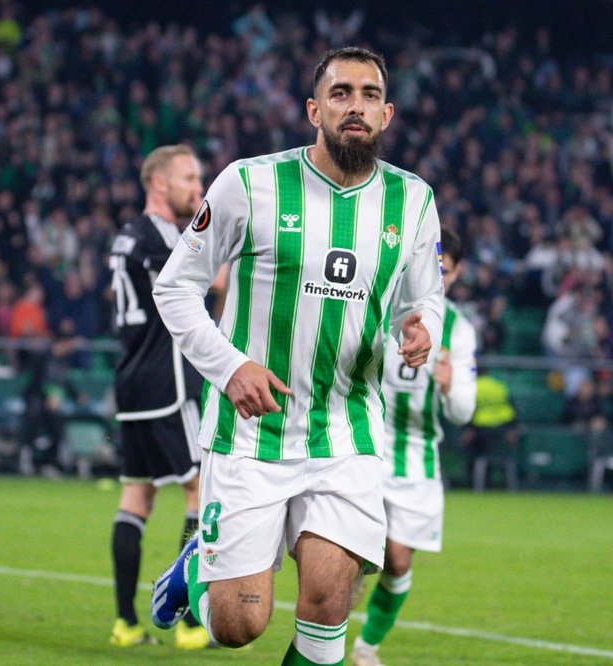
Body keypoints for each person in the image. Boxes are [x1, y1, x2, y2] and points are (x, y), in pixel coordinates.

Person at [150, 47, 444, 666]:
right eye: (340, 93)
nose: (355, 106)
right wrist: (229, 368)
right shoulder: (247, 183)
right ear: (315, 109)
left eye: (368, 95)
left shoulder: (413, 201)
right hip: (251, 432)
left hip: (347, 432)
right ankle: (201, 566)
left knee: (328, 606)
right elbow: (174, 287)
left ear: (386, 114)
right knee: (237, 627)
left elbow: (423, 301)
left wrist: (423, 332)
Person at [350, 227, 477, 666]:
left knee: (399, 564)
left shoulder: (459, 331)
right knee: (343, 551)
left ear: (457, 274)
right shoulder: (383, 305)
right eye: (432, 268)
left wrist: (450, 387)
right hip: (364, 444)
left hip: (418, 458)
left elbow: (463, 412)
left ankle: (366, 648)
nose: (437, 277)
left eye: (446, 271)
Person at [107, 144, 214, 650]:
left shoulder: (126, 236)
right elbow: (210, 280)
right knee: (200, 492)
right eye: (189, 179)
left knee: (137, 495)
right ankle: (190, 625)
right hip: (168, 380)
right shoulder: (161, 235)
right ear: (158, 183)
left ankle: (126, 624)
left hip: (130, 380)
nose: (197, 189)